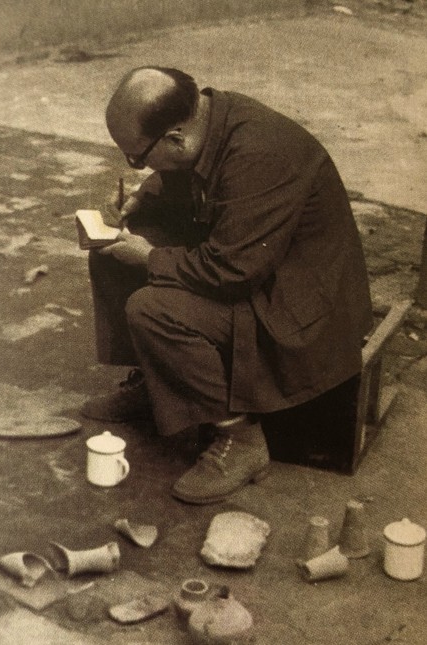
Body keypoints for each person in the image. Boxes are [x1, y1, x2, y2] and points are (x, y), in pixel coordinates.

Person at [82, 66, 373, 504]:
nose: (135, 166)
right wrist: (146, 195)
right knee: (113, 251)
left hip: (297, 309)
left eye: (136, 158)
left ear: (176, 138)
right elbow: (189, 172)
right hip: (257, 269)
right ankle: (156, 382)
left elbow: (231, 273)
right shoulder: (207, 116)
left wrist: (149, 258)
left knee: (152, 308)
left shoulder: (262, 154)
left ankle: (241, 439)